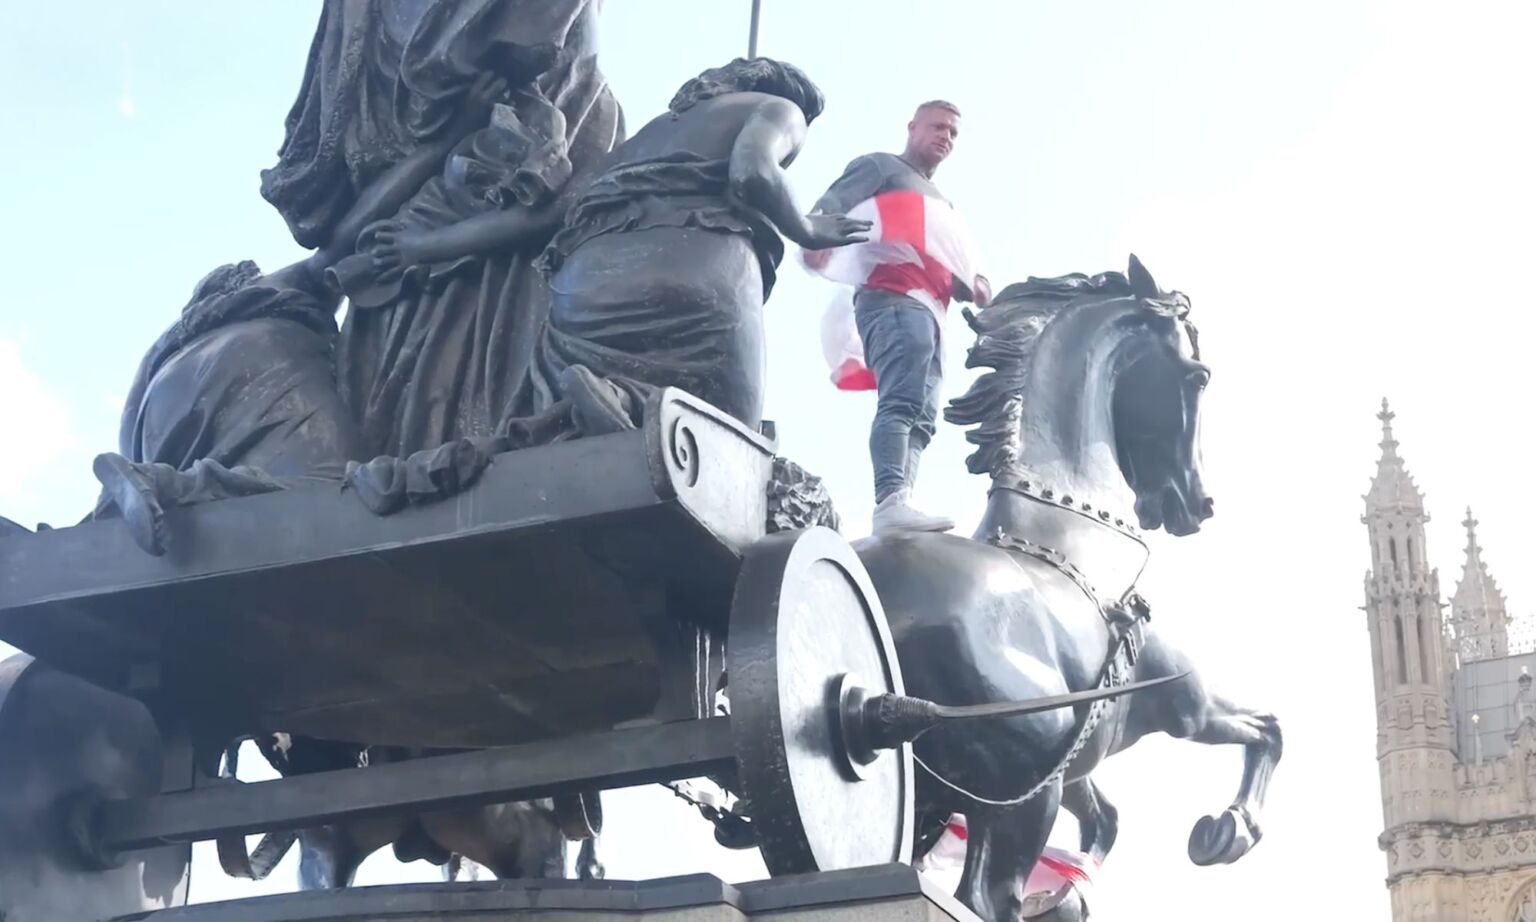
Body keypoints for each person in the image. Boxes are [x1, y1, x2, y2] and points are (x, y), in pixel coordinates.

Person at [513, 57, 869, 438]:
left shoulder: (643, 140)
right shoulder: (781, 108)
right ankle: (625, 401)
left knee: (682, 413)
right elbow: (753, 172)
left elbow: (533, 221)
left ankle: (595, 403)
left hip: (582, 294)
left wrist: (438, 246)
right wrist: (806, 227)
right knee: (733, 427)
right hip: (691, 267)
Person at [803, 100, 991, 534]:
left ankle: (901, 499)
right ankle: (890, 498)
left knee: (923, 416)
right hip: (892, 296)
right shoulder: (881, 168)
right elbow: (831, 203)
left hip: (932, 309)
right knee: (902, 398)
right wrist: (817, 236)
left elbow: (956, 269)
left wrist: (973, 286)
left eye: (953, 133)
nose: (945, 136)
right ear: (912, 127)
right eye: (938, 126)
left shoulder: (944, 205)